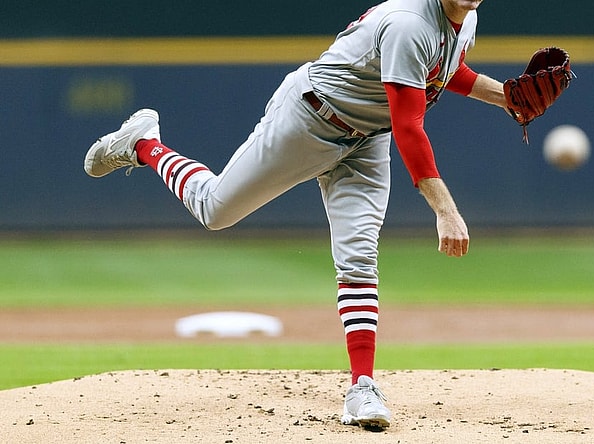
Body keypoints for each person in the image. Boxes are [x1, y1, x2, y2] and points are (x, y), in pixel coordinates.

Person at [84, 0, 507, 430]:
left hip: (367, 138)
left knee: (358, 257)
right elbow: (409, 127)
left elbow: (441, 70)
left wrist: (506, 97)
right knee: (215, 209)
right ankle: (144, 145)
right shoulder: (409, 22)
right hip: (310, 117)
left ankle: (363, 387)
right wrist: (445, 210)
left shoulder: (464, 20)